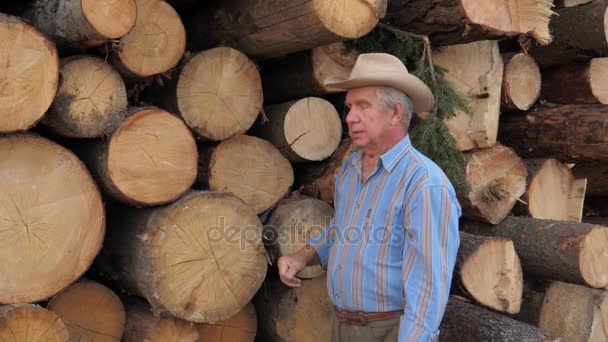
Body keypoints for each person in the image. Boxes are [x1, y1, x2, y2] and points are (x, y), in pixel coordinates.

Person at [277, 53, 461, 342]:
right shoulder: (350, 169)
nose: (350, 117)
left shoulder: (424, 183)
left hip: (389, 331)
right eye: (350, 106)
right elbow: (343, 228)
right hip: (341, 325)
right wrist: (304, 255)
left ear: (396, 113)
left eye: (363, 106)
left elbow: (429, 282)